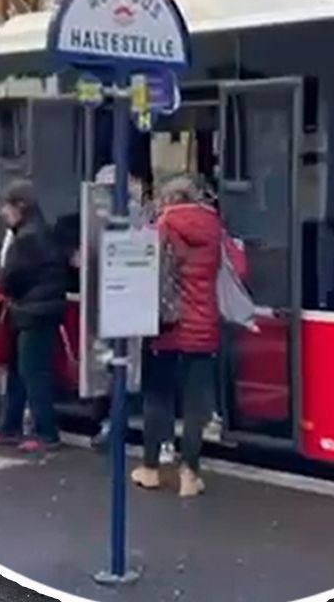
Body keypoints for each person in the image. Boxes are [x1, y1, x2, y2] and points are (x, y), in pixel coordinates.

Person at [132, 173, 227, 497]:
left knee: (158, 397)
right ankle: (190, 474)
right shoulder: (214, 227)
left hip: (168, 327)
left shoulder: (162, 228)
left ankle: (150, 468)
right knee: (195, 405)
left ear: (168, 200)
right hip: (204, 327)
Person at [0, 180, 72, 451]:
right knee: (19, 370)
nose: (3, 213)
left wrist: (0, 278)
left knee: (32, 372)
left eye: (6, 207)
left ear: (20, 207)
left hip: (32, 312)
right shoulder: (42, 232)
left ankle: (46, 432)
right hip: (38, 311)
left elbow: (9, 278)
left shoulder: (26, 239)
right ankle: (10, 426)